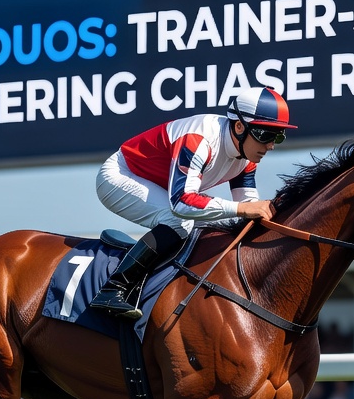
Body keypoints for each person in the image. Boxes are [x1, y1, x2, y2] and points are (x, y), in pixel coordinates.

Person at [89, 86, 296, 319]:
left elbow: (248, 208)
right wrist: (241, 209)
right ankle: (113, 289)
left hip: (159, 187)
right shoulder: (199, 139)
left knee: (199, 227)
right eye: (266, 135)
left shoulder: (245, 156)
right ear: (239, 126)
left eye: (278, 136)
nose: (271, 146)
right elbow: (181, 203)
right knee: (179, 221)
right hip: (119, 176)